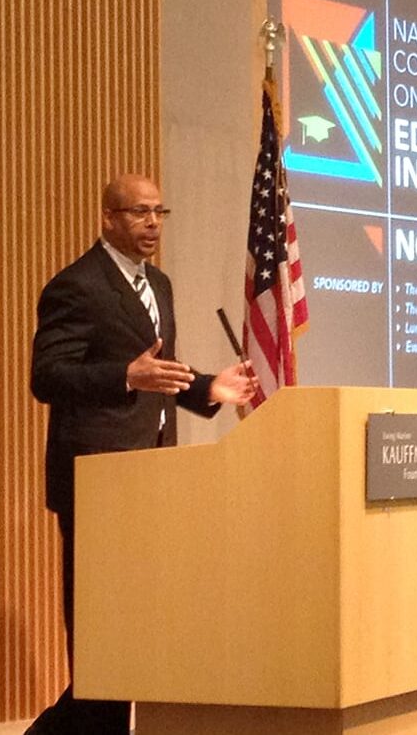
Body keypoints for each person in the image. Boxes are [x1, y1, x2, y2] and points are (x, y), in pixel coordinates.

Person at [25, 174, 254, 734]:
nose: (152, 223)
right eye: (138, 213)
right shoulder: (75, 286)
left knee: (137, 632)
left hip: (153, 478)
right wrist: (124, 374)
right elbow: (47, 376)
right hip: (99, 482)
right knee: (102, 633)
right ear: (108, 219)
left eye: (159, 212)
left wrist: (208, 389)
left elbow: (159, 375)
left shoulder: (161, 285)